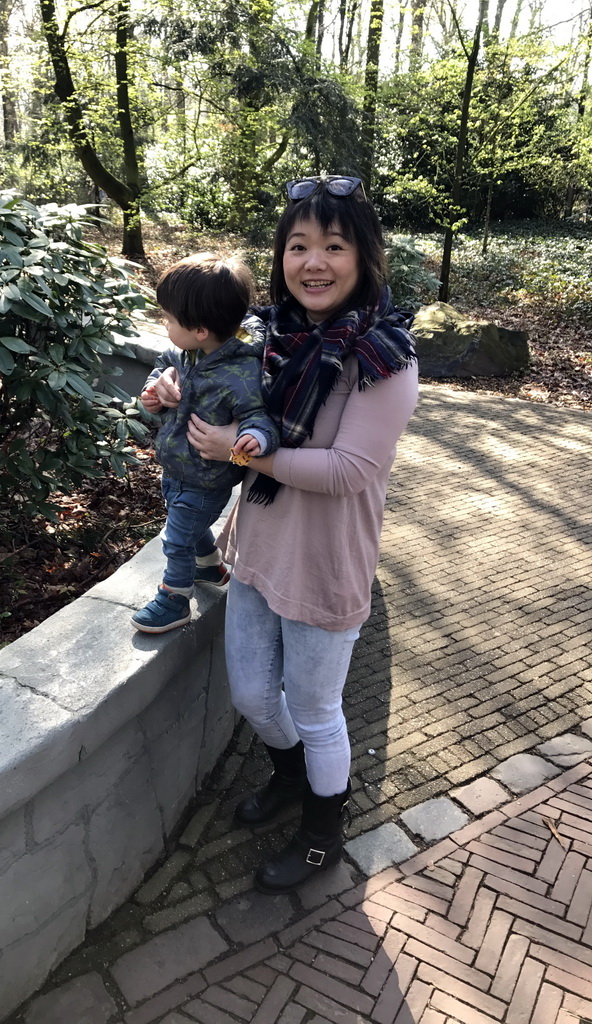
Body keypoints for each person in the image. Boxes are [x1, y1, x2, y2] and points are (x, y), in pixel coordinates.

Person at [151, 175, 418, 893]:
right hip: (257, 544)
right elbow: (200, 362)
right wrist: (175, 388)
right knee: (252, 699)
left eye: (334, 245)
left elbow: (349, 469)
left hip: (326, 560)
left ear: (363, 257)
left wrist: (239, 450)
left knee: (316, 709)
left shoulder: (384, 358)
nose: (314, 261)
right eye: (299, 245)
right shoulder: (275, 338)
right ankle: (291, 776)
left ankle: (322, 831)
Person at [133, 253, 280, 635]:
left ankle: (174, 598)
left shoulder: (239, 374)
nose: (164, 325)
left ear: (199, 329)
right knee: (189, 527)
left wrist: (252, 439)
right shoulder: (186, 351)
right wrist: (152, 390)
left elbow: (259, 417)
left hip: (206, 479)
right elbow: (161, 365)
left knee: (176, 537)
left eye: (167, 319)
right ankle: (211, 566)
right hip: (177, 468)